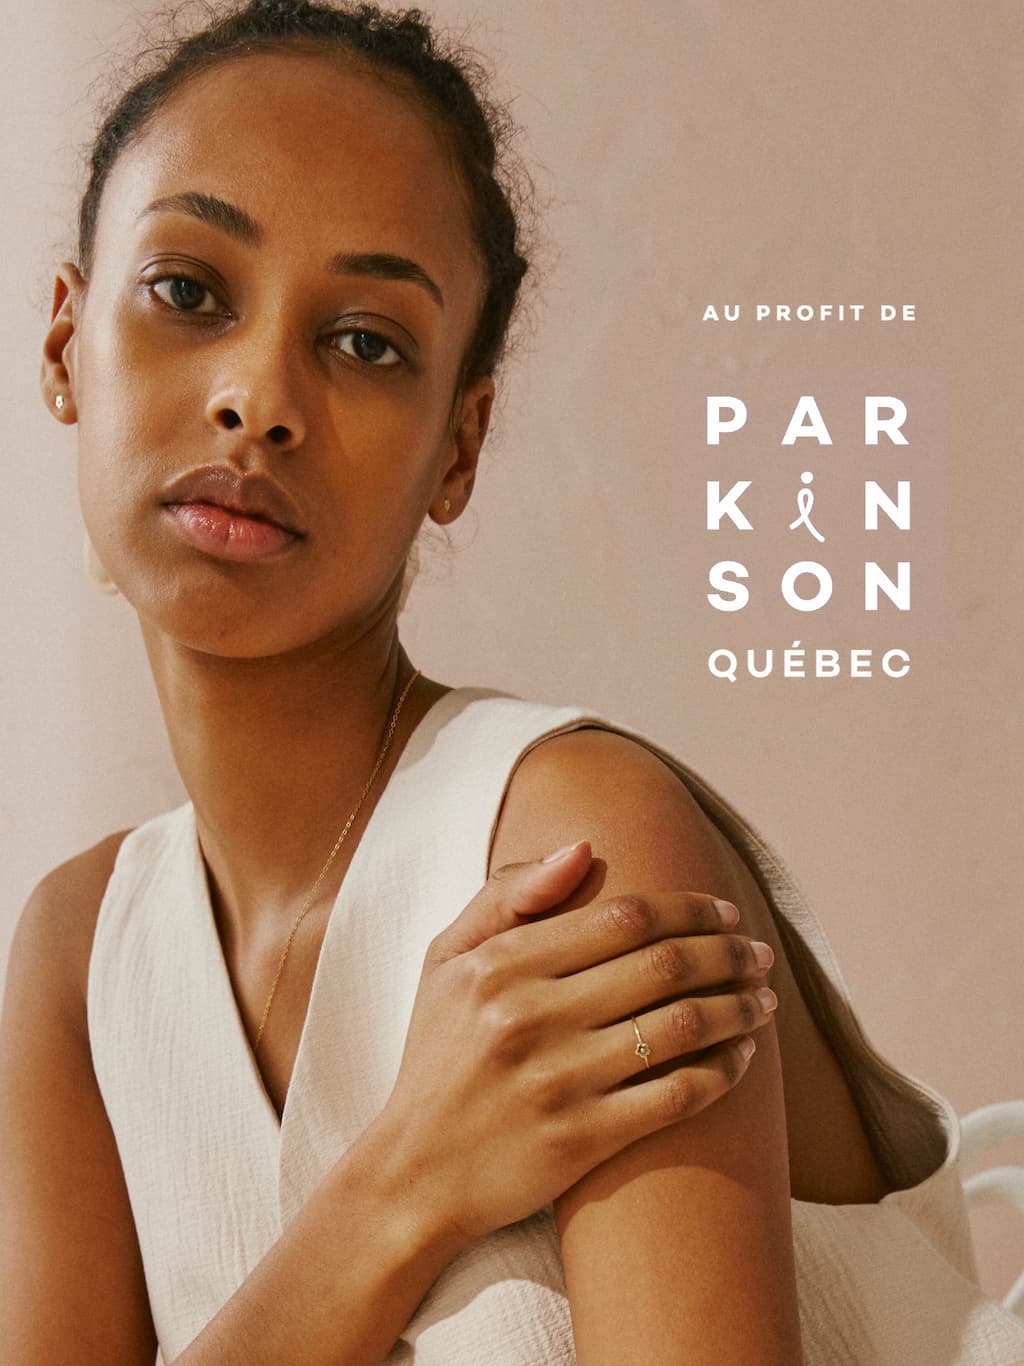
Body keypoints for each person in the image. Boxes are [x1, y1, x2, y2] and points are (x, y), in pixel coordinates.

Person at [1, 2, 1021, 1362]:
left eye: (366, 340)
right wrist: (399, 1186)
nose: (259, 394)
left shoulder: (576, 850)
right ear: (68, 342)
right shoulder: (81, 956)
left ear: (458, 445)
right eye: (189, 291)